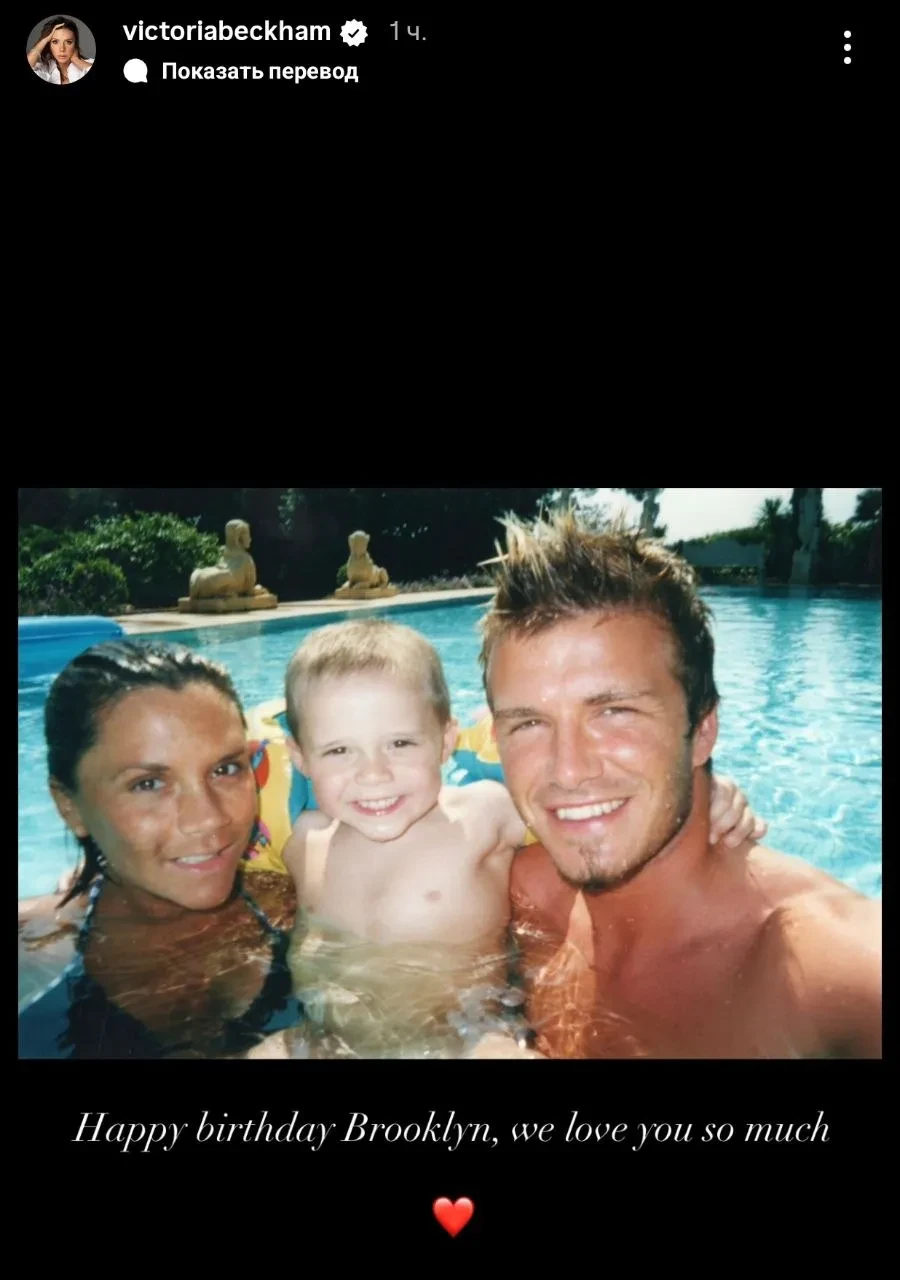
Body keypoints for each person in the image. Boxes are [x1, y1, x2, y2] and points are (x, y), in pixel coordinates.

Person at [253, 618, 765, 1060]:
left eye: (401, 743)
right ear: (301, 758)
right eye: (339, 751)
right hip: (322, 1038)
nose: (374, 774)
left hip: (466, 1035)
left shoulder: (482, 814)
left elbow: (593, 815)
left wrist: (706, 793)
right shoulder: (303, 840)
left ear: (446, 741)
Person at [480, 510, 882, 1059]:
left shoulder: (834, 973)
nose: (567, 771)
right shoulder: (518, 892)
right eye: (529, 723)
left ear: (702, 730)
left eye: (615, 712)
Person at [18, 642, 298, 1058]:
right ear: (69, 805)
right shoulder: (32, 954)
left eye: (225, 769)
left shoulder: (303, 907)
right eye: (148, 784)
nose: (207, 819)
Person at [27, 18, 94, 85]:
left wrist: (76, 60)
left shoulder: (88, 64)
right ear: (48, 44)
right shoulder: (43, 68)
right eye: (55, 42)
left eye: (68, 42)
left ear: (75, 45)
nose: (62, 49)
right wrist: (44, 40)